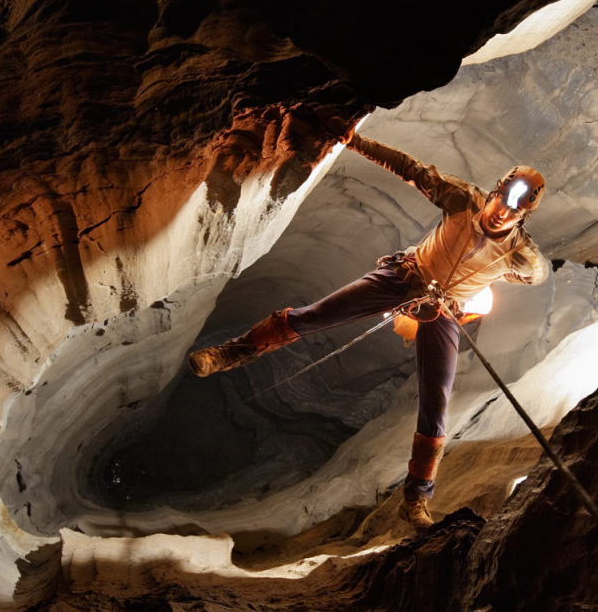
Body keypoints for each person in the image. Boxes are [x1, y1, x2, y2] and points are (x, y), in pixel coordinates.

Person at [188, 131, 549, 531]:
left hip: (444, 310)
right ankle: (230, 354)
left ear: (522, 217)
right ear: (496, 191)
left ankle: (415, 499)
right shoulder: (462, 199)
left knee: (436, 404)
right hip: (404, 276)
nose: (503, 212)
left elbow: (536, 274)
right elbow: (411, 170)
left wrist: (484, 284)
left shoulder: (521, 251)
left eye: (515, 211)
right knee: (316, 315)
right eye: (503, 200)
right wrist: (353, 141)